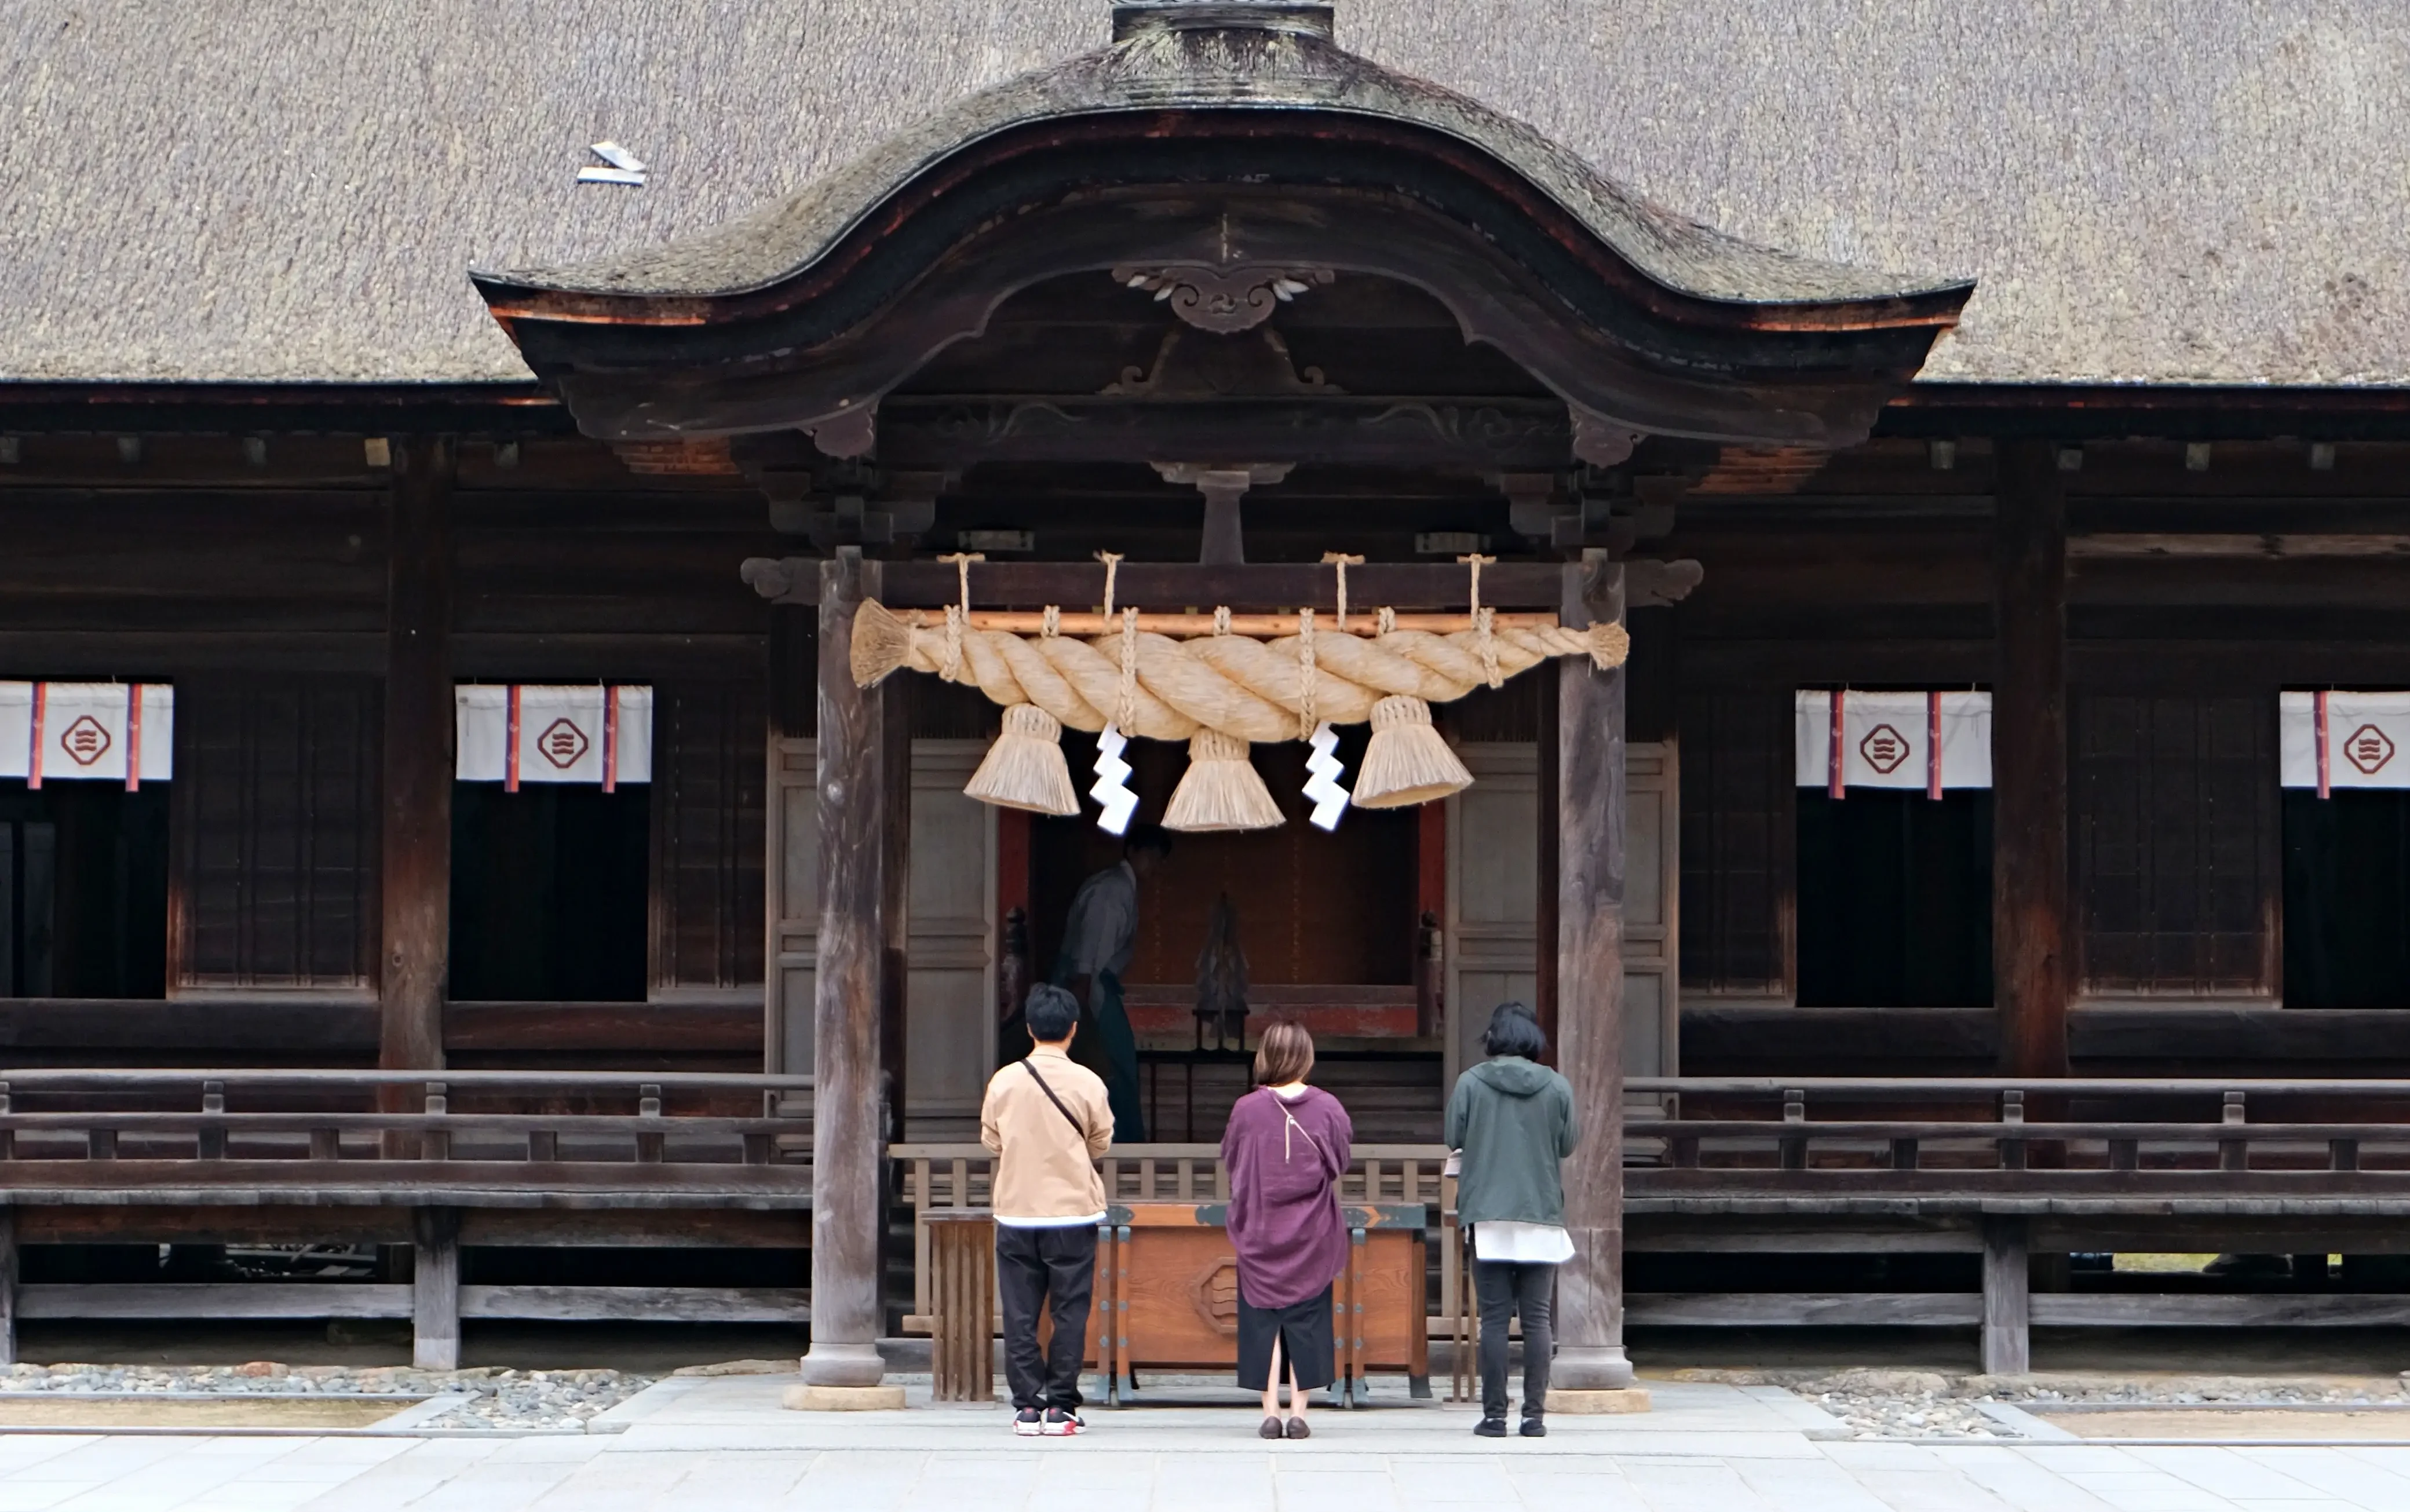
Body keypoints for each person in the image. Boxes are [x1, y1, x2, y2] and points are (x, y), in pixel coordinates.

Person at [980, 983, 1115, 1437]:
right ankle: (1062, 1405)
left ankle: (1026, 1406)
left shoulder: (1004, 1081)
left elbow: (990, 1139)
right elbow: (1101, 1141)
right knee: (1069, 1312)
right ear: (1073, 1030)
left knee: (1020, 1313)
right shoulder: (1088, 1082)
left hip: (1017, 1209)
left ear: (1030, 1028)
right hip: (1073, 1212)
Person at [1444, 1002, 1578, 1438]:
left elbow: (1454, 1137)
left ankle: (1495, 1416)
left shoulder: (1470, 1083)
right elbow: (1567, 1144)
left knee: (1496, 1320)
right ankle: (1535, 1417)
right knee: (1538, 1319)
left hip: (1487, 1213)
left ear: (1494, 1038)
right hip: (1540, 1210)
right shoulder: (1557, 1086)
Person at [1221, 1021, 1352, 1440]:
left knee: (1263, 1321)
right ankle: (1300, 1411)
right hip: (1312, 1228)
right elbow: (1340, 1161)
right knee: (1308, 1319)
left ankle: (1269, 1411)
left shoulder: (1247, 1109)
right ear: (1307, 1057)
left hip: (1260, 1226)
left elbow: (1232, 1160)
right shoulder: (1329, 1107)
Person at [1051, 824, 1172, 1141]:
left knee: (1114, 1066)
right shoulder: (1112, 889)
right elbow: (1092, 946)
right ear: (1132, 851)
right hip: (1088, 987)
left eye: (1158, 860)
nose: (1153, 866)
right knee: (1112, 1067)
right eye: (1150, 856)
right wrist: (1084, 994)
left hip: (1093, 985)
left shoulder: (1120, 887)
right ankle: (1119, 1142)